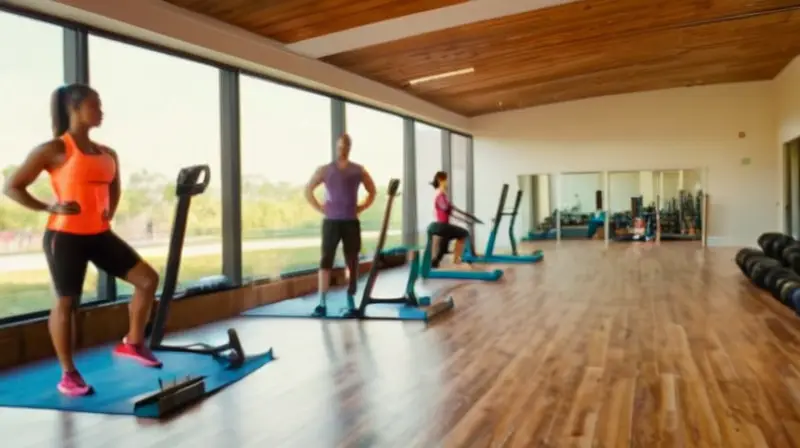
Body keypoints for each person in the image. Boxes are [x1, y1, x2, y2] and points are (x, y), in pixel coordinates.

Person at [3, 84, 162, 397]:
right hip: (64, 236)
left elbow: (114, 187)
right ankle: (68, 374)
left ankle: (133, 342)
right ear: (74, 109)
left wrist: (109, 213)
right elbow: (12, 186)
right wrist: (49, 206)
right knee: (67, 302)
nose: (101, 111)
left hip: (98, 234)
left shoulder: (107, 153)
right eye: (95, 105)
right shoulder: (54, 149)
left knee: (147, 279)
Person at [304, 134, 376, 317]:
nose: (342, 149)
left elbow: (372, 191)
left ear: (349, 147)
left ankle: (351, 302)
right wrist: (320, 208)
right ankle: (321, 303)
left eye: (346, 146)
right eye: (340, 146)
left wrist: (362, 206)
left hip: (351, 221)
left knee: (352, 260)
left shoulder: (358, 170)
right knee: (325, 259)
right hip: (331, 222)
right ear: (336, 147)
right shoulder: (325, 170)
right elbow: (308, 190)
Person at [429, 171, 472, 267]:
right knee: (464, 233)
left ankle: (435, 262)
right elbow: (444, 207)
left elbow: (447, 209)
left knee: (444, 245)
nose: (447, 182)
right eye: (445, 180)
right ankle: (457, 260)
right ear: (441, 180)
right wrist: (449, 204)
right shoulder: (440, 194)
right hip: (442, 226)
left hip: (443, 226)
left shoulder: (441, 194)